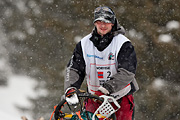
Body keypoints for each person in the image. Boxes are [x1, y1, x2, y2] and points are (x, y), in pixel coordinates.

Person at [63, 6, 139, 120]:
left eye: (106, 22)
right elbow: (74, 69)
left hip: (120, 98)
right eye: (99, 22)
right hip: (94, 99)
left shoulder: (123, 44)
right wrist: (70, 88)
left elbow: (127, 72)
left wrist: (106, 88)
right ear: (95, 23)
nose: (102, 25)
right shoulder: (84, 44)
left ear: (112, 23)